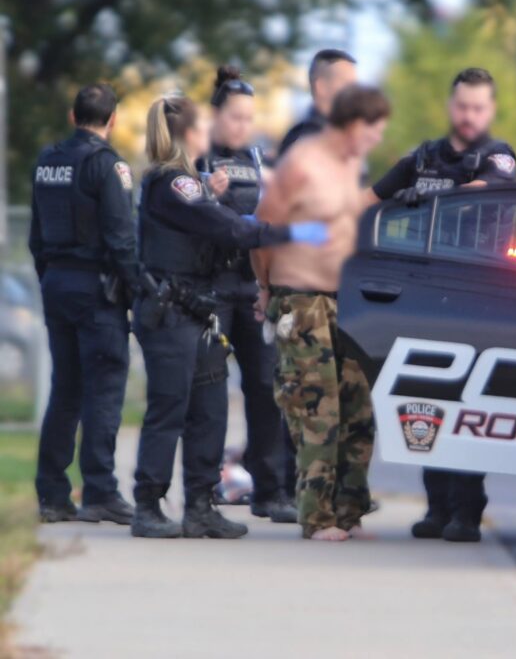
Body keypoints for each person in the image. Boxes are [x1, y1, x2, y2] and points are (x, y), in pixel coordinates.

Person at [132, 95, 328, 539]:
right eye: (202, 127)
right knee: (169, 409)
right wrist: (295, 233)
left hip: (196, 312)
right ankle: (148, 505)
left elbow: (215, 223)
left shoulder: (189, 183)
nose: (209, 133)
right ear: (189, 134)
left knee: (211, 409)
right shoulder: (172, 182)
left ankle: (201, 506)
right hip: (171, 314)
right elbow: (230, 228)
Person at [368, 67, 516, 544]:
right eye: (463, 106)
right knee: (425, 402)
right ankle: (436, 507)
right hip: (426, 299)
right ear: (451, 107)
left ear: (490, 111)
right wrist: (392, 206)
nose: (469, 115)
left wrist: (431, 201)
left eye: (478, 108)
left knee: (467, 404)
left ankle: (467, 512)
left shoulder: (498, 155)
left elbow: (483, 192)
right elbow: (368, 200)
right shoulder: (423, 157)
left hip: (476, 300)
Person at [253, 85, 390, 542]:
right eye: (372, 131)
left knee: (358, 411)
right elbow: (263, 231)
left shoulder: (348, 166)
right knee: (318, 413)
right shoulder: (300, 165)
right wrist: (266, 289)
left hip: (343, 301)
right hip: (301, 300)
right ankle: (316, 517)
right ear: (352, 125)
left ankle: (349, 511)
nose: (375, 140)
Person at [29, 84, 139, 525]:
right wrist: (138, 293)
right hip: (96, 290)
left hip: (57, 282)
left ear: (73, 117)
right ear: (113, 120)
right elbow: (121, 240)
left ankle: (52, 494)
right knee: (103, 391)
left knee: (66, 389)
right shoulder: (107, 165)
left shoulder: (47, 161)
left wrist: (50, 277)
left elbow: (36, 236)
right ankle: (100, 492)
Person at [198, 67, 295, 523]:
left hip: (250, 286)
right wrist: (205, 193)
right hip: (211, 289)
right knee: (209, 395)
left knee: (266, 388)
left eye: (248, 118)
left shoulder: (256, 157)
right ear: (216, 115)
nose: (242, 126)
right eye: (235, 117)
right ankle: (202, 493)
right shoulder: (198, 155)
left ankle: (270, 491)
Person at [278, 49, 357, 157]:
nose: (355, 92)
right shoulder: (309, 140)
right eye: (347, 84)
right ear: (321, 86)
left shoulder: (339, 134)